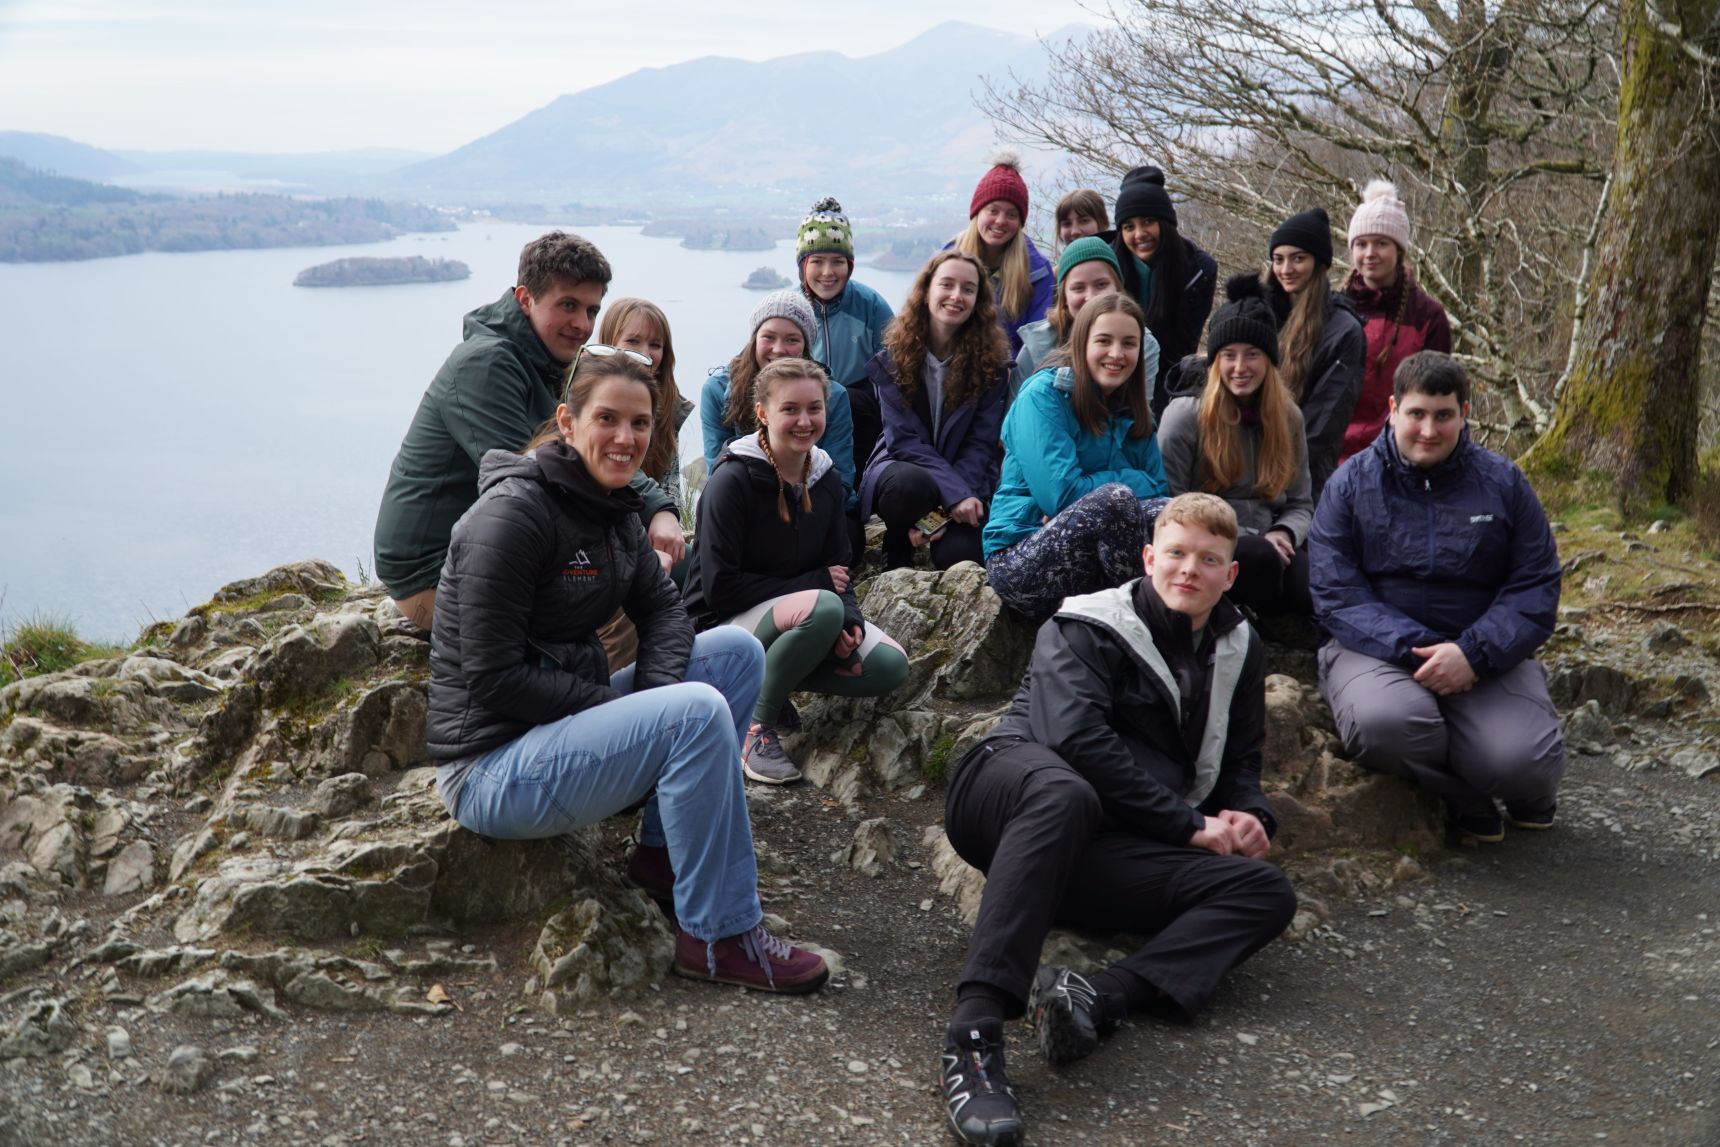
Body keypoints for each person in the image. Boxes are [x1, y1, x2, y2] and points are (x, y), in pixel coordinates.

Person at [426, 347, 828, 994]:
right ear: (567, 422)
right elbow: (492, 677)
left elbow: (665, 612)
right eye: (607, 419)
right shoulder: (512, 517)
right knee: (694, 712)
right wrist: (632, 715)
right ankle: (720, 936)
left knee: (735, 654)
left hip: (555, 729)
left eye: (640, 423)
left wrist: (654, 702)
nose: (626, 437)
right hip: (490, 767)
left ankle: (662, 857)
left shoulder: (607, 506)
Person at [938, 492, 1296, 1147]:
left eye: (1208, 559)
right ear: (1149, 558)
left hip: (1105, 846)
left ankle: (1096, 995)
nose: (1189, 569)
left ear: (1230, 574)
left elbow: (1241, 760)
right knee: (1066, 793)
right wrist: (1187, 824)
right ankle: (974, 1036)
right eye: (1177, 553)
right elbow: (1074, 740)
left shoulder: (1240, 646)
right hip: (1008, 794)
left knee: (1263, 890)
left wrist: (1250, 812)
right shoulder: (1087, 623)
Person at [1310, 351, 1565, 842]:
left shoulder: (1504, 483)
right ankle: (1460, 794)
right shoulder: (1350, 484)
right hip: (1375, 649)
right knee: (1387, 724)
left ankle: (1511, 776)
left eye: (1443, 415)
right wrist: (1420, 650)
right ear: (1392, 410)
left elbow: (1535, 585)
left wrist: (1472, 653)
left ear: (1464, 413)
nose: (1429, 430)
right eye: (1417, 414)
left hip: (1480, 650)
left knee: (1525, 763)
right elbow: (1335, 592)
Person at [373, 232, 678, 631]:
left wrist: (659, 509)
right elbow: (540, 478)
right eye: (568, 305)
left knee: (673, 572)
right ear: (525, 298)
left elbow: (583, 453)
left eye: (591, 310)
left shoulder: (545, 360)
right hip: (432, 573)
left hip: (495, 550)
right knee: (624, 599)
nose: (582, 324)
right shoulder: (486, 366)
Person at [685, 358, 910, 785]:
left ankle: (770, 681)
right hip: (716, 629)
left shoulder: (825, 478)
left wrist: (850, 620)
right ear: (763, 413)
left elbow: (838, 569)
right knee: (822, 608)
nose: (804, 421)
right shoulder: (731, 481)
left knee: (889, 666)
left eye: (814, 408)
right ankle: (753, 728)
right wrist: (818, 589)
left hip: (795, 614)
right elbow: (719, 589)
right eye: (790, 409)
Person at [984, 293, 1170, 624]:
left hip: (1097, 555)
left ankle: (1194, 621)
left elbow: (1160, 490)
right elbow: (1061, 496)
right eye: (1104, 341)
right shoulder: (1043, 396)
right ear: (1082, 343)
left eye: (1129, 343)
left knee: (1174, 515)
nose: (1117, 354)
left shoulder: (1133, 409)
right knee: (1116, 501)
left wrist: (1098, 495)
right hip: (1022, 555)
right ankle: (1151, 624)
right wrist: (1132, 481)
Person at [1157, 275, 1314, 618]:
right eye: (1229, 355)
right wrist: (1248, 538)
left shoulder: (1288, 417)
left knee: (1317, 587)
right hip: (1206, 540)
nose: (1240, 368)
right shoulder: (1185, 416)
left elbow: (1301, 502)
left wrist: (1284, 533)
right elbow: (1168, 505)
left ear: (1269, 360)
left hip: (1272, 539)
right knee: (1258, 557)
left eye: (1252, 355)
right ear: (1215, 361)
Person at [859, 250, 1011, 571]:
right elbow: (904, 442)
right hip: (903, 469)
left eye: (968, 289)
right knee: (908, 488)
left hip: (965, 478)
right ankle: (898, 538)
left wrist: (940, 516)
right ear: (926, 292)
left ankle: (926, 530)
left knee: (961, 554)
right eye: (946, 284)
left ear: (978, 301)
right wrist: (955, 495)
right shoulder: (893, 360)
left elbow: (980, 446)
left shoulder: (992, 368)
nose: (956, 296)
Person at [699, 289, 858, 519]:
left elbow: (841, 479)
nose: (779, 349)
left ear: (806, 346)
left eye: (792, 339)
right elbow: (718, 474)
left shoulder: (833, 396)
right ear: (754, 339)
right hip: (750, 511)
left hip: (814, 509)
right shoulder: (717, 391)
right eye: (769, 337)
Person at [1338, 180, 1452, 463]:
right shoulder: (1331, 308)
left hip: (1400, 456)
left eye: (1381, 243)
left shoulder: (1427, 316)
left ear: (1399, 250)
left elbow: (1437, 394)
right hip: (1333, 457)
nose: (1370, 253)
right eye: (1361, 244)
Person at [1261, 207, 1366, 500]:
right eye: (1278, 259)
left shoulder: (1344, 331)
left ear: (1318, 263)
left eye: (1298, 259)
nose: (1286, 269)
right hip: (1247, 470)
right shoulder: (1258, 314)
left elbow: (1323, 423)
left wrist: (1273, 471)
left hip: (1303, 481)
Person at [1102, 166, 1217, 421]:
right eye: (1129, 226)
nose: (1139, 234)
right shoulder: (1105, 266)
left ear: (1165, 223)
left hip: (1168, 378)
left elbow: (1184, 347)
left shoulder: (1199, 270)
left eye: (1148, 222)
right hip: (1112, 373)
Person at [796, 196, 895, 475]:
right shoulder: (791, 309)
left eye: (837, 261)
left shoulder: (871, 306)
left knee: (845, 399)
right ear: (803, 265)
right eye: (817, 261)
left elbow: (897, 371)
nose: (828, 273)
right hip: (802, 406)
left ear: (849, 265)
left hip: (861, 413)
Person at [1009, 235, 1159, 403]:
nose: (1091, 297)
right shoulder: (1036, 345)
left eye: (1101, 285)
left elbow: (1140, 410)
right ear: (1064, 298)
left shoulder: (1142, 343)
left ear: (1118, 288)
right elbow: (1014, 411)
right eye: (1078, 288)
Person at [950, 151, 1054, 356]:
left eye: (1012, 214)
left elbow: (1038, 346)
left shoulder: (1038, 273)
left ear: (1020, 222)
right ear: (977, 212)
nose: (1000, 221)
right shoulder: (947, 261)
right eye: (993, 210)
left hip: (1011, 371)